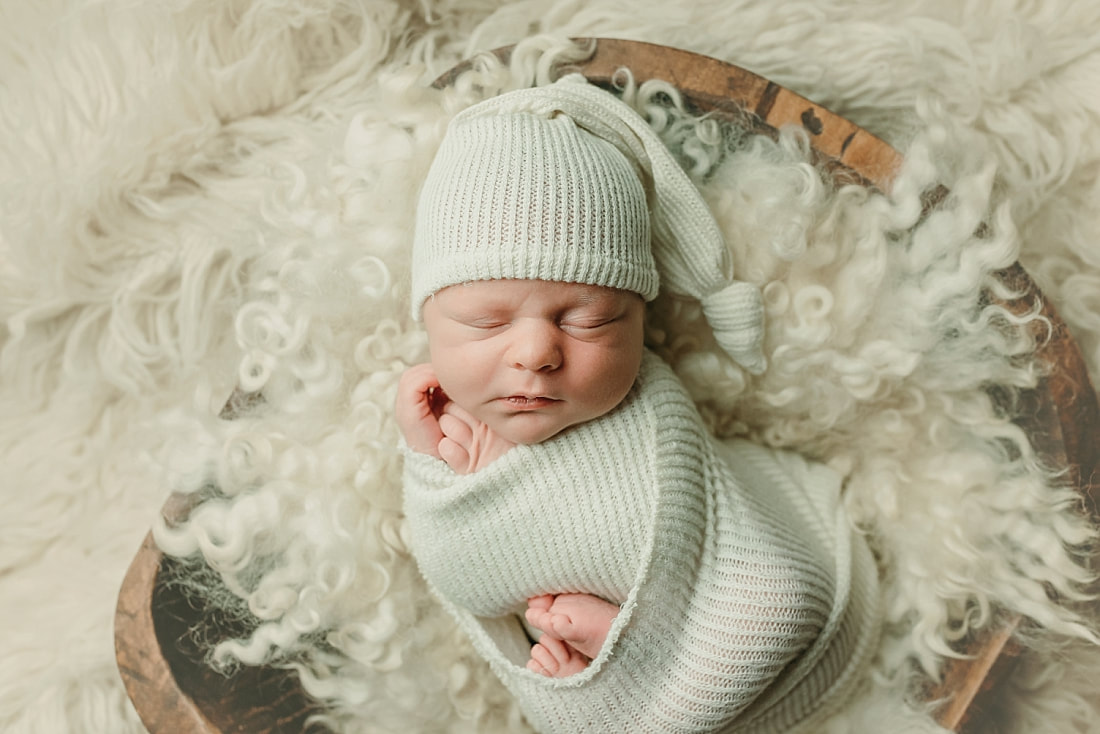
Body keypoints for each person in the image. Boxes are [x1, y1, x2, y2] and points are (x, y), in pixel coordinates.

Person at [395, 75, 880, 733]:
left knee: (778, 601)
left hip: (737, 565)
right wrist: (442, 466)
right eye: (486, 322)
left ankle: (637, 638)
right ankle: (625, 655)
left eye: (588, 320)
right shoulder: (447, 427)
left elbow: (694, 523)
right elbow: (466, 576)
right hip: (618, 629)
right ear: (428, 322)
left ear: (640, 323)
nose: (537, 351)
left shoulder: (647, 405)